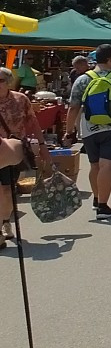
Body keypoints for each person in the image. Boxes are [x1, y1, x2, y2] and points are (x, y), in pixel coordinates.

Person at [65, 44, 111, 221]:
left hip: (89, 128)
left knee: (94, 165)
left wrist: (69, 130)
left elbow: (73, 107)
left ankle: (97, 199)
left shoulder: (82, 79)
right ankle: (103, 207)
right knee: (107, 166)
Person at [0, 67, 49, 248]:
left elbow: (33, 122)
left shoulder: (21, 100)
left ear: (8, 82)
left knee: (6, 190)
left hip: (12, 152)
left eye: (0, 81)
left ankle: (5, 220)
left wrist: (43, 145)